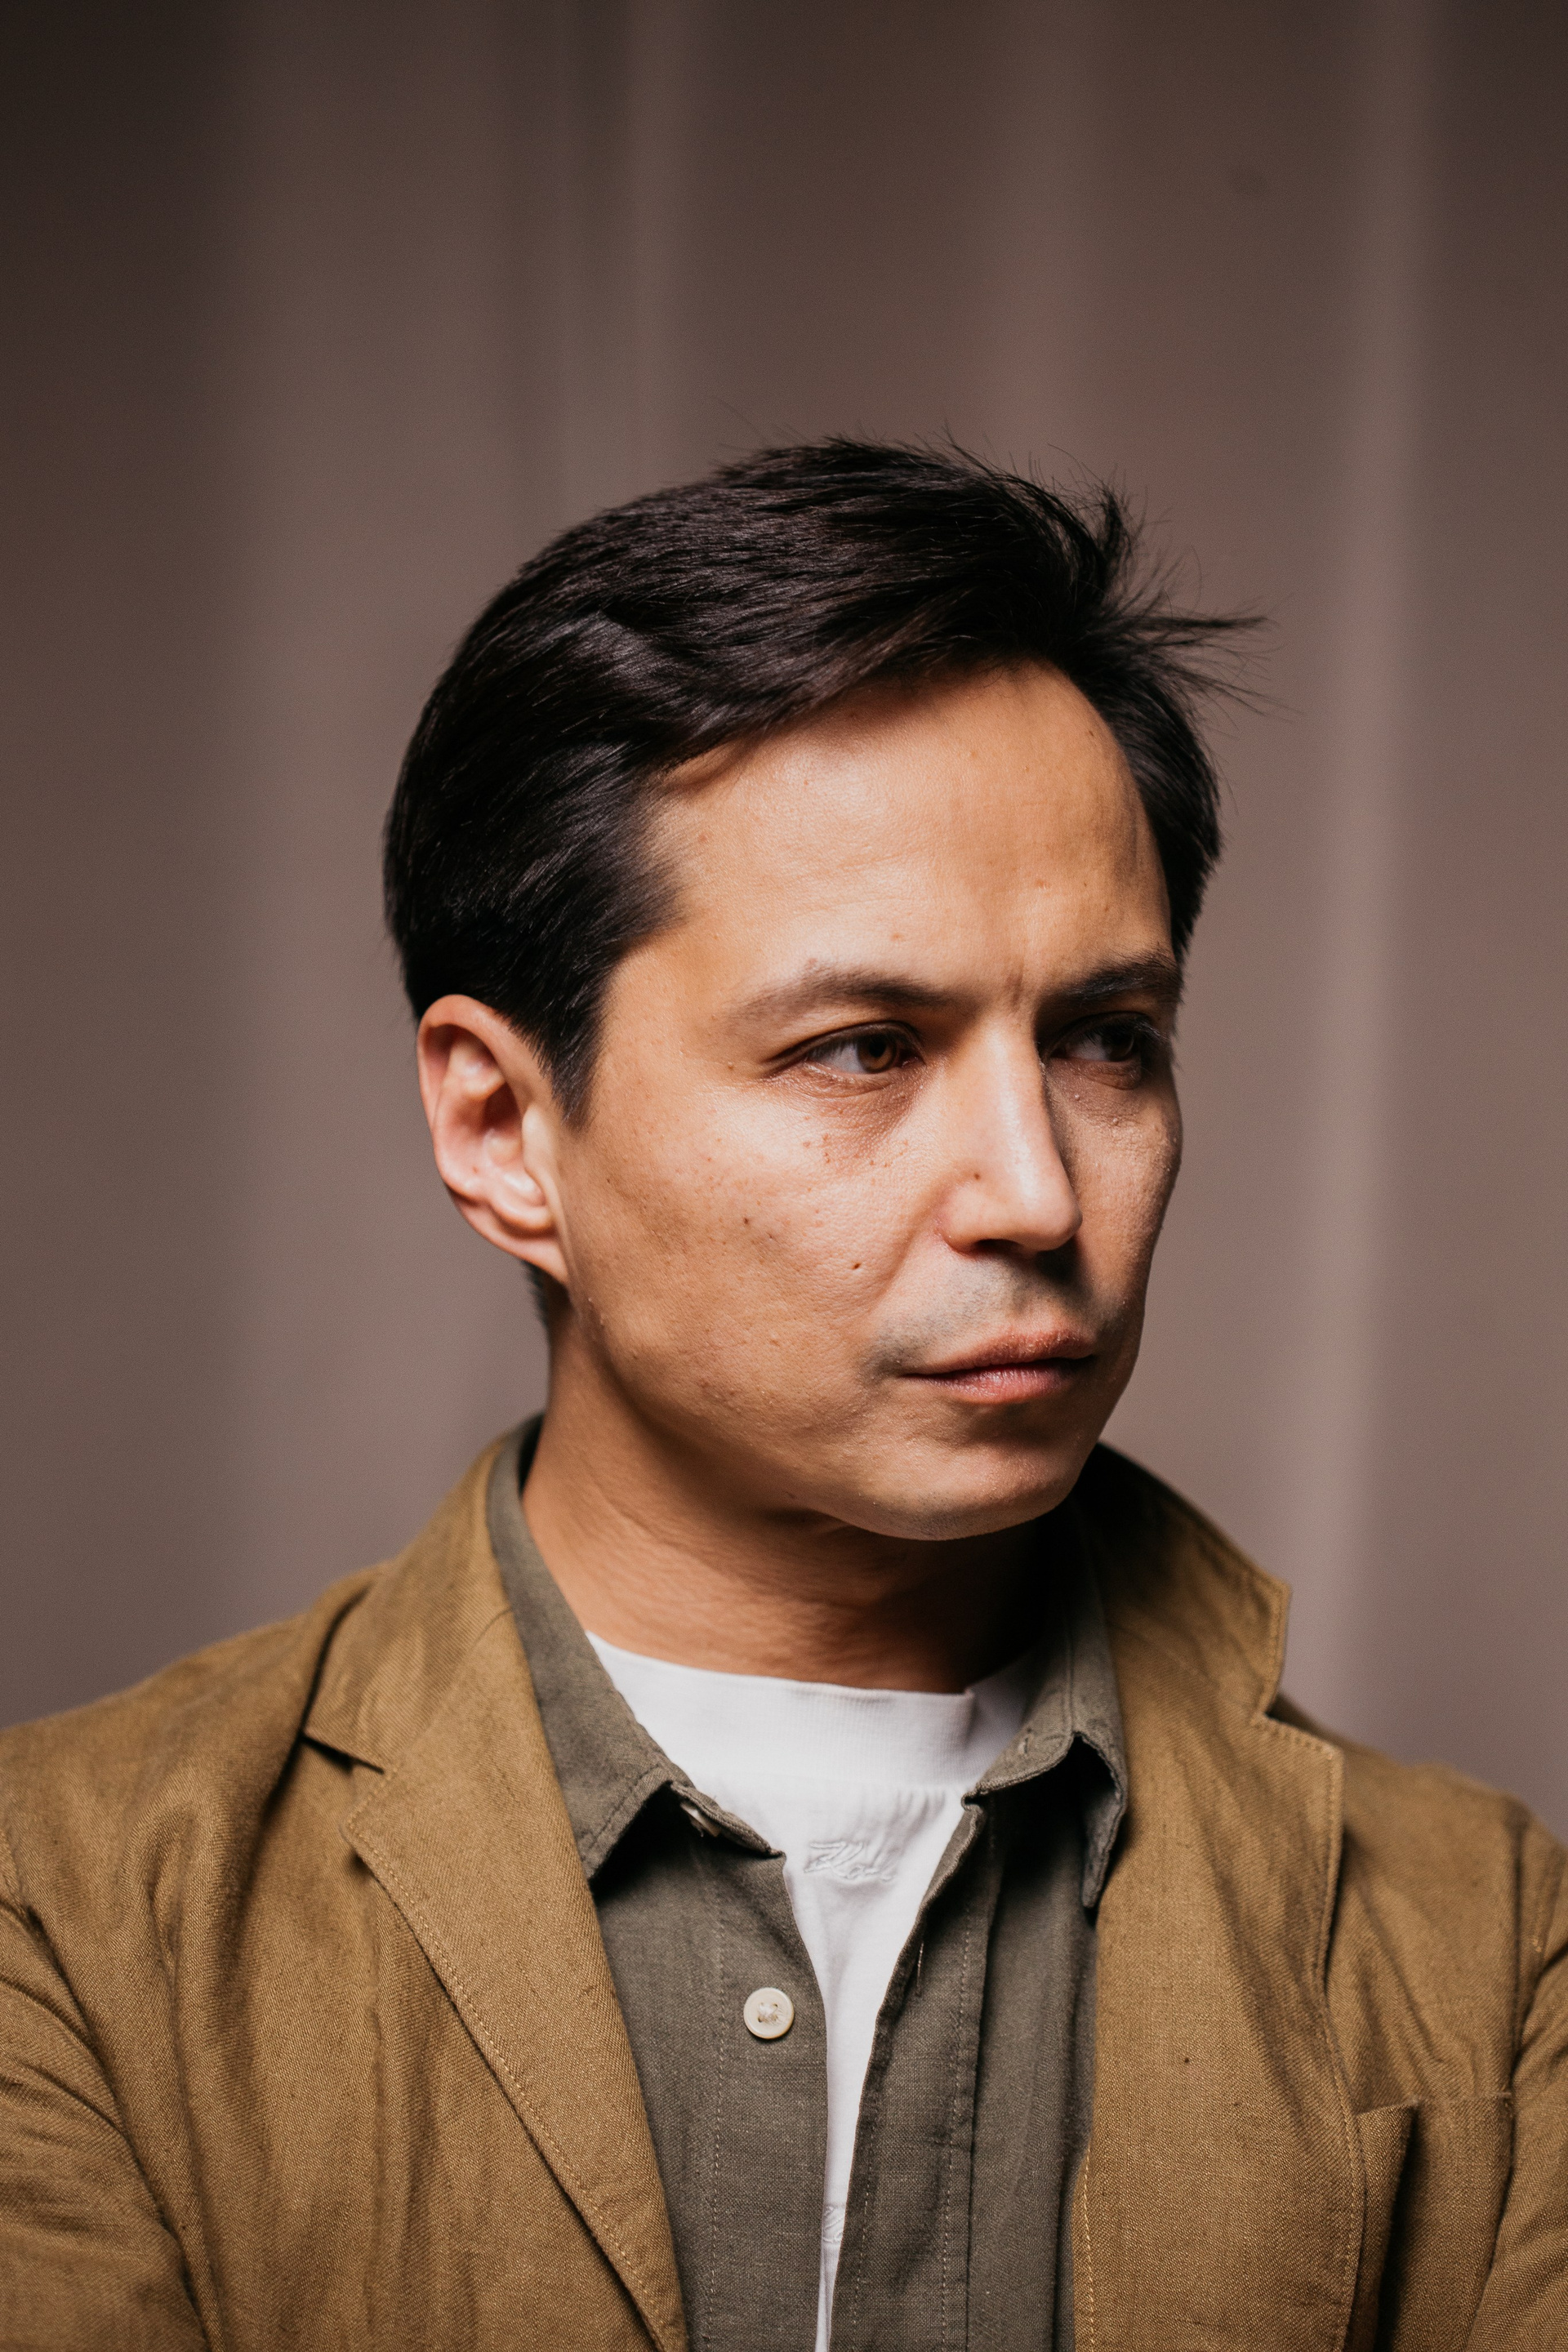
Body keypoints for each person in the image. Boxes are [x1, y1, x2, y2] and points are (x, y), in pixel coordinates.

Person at [0, 443, 1561, 2352]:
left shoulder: (1484, 1944)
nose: (1037, 1194)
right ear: (503, 1129)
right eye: (865, 1049)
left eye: (1108, 1042)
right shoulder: (68, 1910)